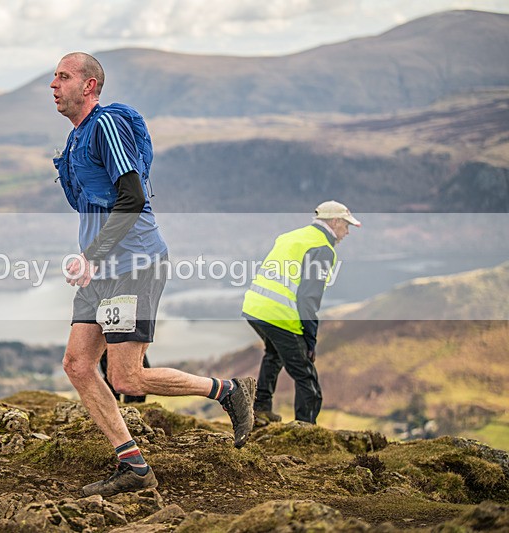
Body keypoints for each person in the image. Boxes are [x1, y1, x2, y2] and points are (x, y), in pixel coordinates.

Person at [51, 52, 256, 498]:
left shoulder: (105, 126)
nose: (53, 85)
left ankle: (228, 390)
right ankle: (134, 467)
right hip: (101, 270)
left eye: (63, 77)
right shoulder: (76, 138)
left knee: (126, 377)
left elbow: (132, 197)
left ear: (89, 86)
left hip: (133, 266)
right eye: (54, 77)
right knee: (78, 364)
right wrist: (90, 258)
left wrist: (94, 255)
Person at [241, 201, 360, 425]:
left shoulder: (292, 236)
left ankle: (261, 409)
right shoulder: (322, 248)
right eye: (346, 225)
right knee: (306, 376)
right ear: (334, 222)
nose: (347, 232)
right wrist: (310, 340)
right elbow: (308, 298)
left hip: (255, 309)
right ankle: (305, 430)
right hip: (279, 315)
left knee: (274, 355)